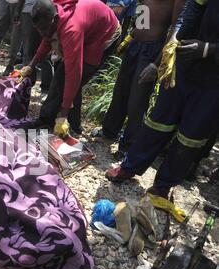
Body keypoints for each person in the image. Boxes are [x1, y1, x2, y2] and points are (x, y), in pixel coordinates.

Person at [106, 0, 219, 202]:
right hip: (186, 63)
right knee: (158, 120)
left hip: (212, 82)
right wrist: (176, 38)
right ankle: (130, 165)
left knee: (191, 136)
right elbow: (192, 8)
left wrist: (209, 49)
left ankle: (163, 185)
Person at [96, 0, 185, 160]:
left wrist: (156, 63)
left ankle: (128, 146)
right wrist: (131, 38)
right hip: (136, 45)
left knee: (137, 101)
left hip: (152, 50)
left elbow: (175, 27)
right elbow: (144, 14)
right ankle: (109, 132)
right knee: (120, 92)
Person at [21, 0, 121, 136]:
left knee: (67, 76)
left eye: (43, 28)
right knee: (63, 78)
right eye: (38, 29)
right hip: (91, 25)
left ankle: (65, 123)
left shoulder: (71, 29)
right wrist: (31, 66)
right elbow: (47, 39)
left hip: (105, 33)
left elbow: (74, 75)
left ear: (55, 19)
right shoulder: (51, 18)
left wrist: (63, 116)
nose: (41, 33)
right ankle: (56, 121)